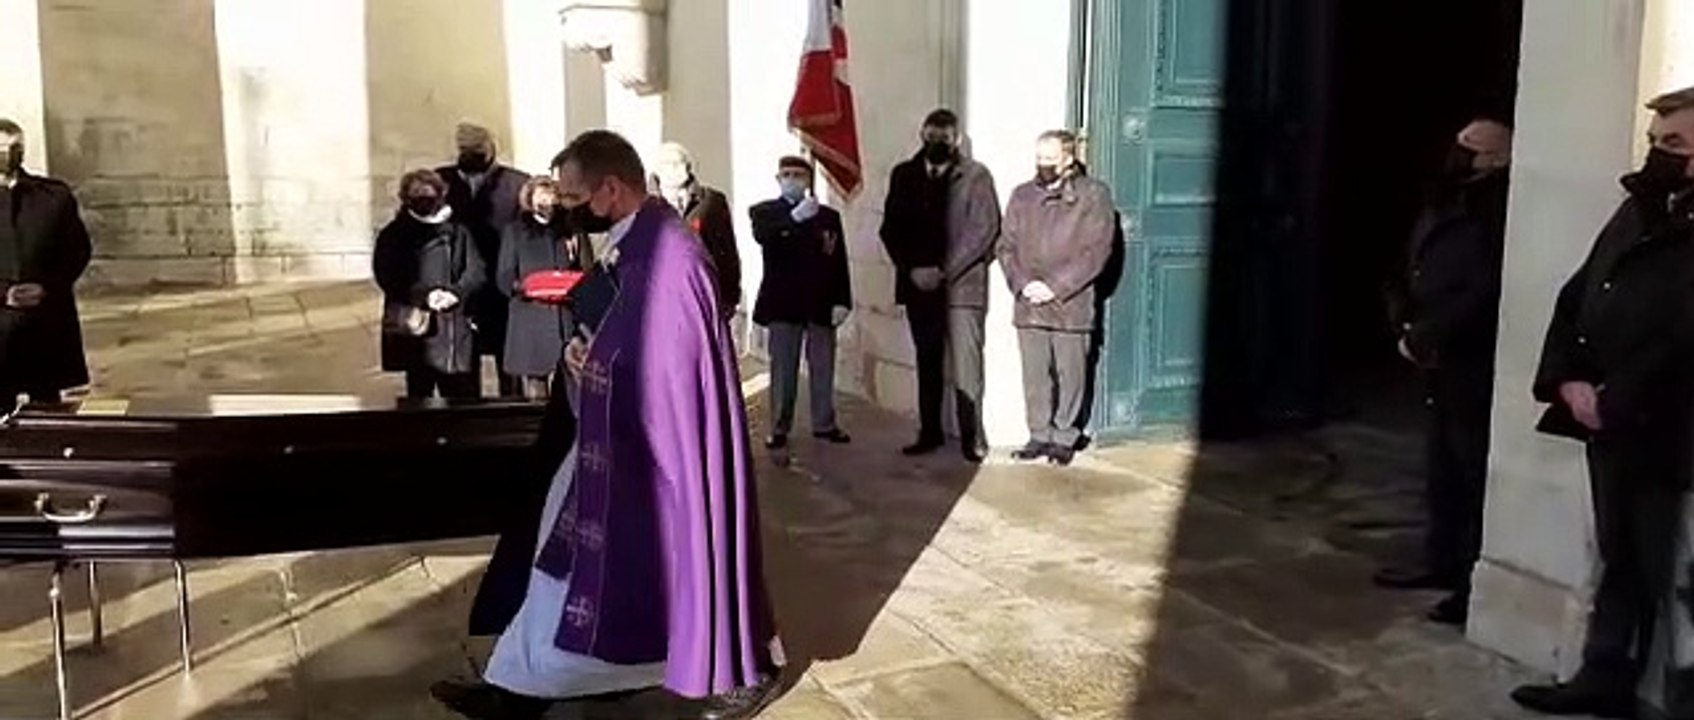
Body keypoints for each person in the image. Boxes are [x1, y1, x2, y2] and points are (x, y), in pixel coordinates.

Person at [432, 130, 779, 720]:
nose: (566, 209)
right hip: (610, 436)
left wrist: (597, 367)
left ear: (610, 189)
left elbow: (669, 366)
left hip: (654, 449)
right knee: (557, 554)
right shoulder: (632, 240)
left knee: (672, 565)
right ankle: (518, 683)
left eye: (573, 197)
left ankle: (739, 666)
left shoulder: (670, 258)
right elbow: (611, 329)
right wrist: (583, 354)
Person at [1510, 87, 1694, 718]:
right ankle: (1605, 677)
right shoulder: (1639, 207)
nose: (1657, 153)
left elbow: (1682, 334)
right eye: (1654, 140)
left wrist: (1616, 396)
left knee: (1680, 577)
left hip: (1670, 430)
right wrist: (1566, 378)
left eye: (1673, 143)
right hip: (1611, 424)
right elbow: (1581, 291)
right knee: (1619, 558)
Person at [1373, 118, 1513, 627]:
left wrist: (1431, 334)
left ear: (1498, 158)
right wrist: (1404, 320)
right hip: (1430, 346)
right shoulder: (1445, 196)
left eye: (1473, 147)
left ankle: (1470, 579)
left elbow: (1485, 285)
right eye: (1460, 141)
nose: (1460, 151)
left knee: (1471, 467)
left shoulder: (1497, 208)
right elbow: (1409, 263)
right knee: (1441, 468)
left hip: (1467, 354)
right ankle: (1441, 558)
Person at [879, 109, 1002, 461]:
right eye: (930, 136)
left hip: (962, 289)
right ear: (921, 134)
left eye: (943, 137)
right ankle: (929, 432)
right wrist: (912, 269)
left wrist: (944, 270)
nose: (936, 143)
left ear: (957, 139)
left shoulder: (977, 176)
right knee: (927, 361)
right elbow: (891, 229)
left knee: (967, 366)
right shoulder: (904, 175)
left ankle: (972, 437)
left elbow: (984, 229)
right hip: (919, 289)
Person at [999, 130, 1115, 467]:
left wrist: (1056, 286)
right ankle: (1038, 433)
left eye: (1050, 159)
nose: (1043, 165)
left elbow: (1096, 251)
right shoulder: (1022, 195)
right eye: (1039, 158)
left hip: (1070, 303)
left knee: (1071, 372)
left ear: (1069, 157)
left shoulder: (1094, 196)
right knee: (1034, 373)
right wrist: (1022, 283)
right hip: (1028, 302)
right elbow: (1006, 246)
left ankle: (1065, 436)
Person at [749, 155, 852, 450]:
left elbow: (838, 261)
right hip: (783, 302)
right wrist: (794, 220)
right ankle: (779, 427)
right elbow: (765, 237)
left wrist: (842, 300)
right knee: (783, 369)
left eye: (799, 175)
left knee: (823, 366)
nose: (792, 179)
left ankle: (825, 423)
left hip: (820, 301)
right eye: (787, 174)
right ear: (778, 179)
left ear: (809, 180)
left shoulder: (828, 217)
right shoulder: (765, 212)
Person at [0, 119, 92, 415]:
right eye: (1, 148)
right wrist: (4, 294)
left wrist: (48, 286)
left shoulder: (53, 196)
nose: (8, 154)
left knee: (47, 408)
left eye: (15, 147)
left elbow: (76, 250)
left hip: (45, 321)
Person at [372, 169, 486, 400]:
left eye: (428, 192)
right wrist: (425, 296)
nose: (423, 198)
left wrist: (457, 293)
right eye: (416, 193)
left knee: (461, 399)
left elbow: (476, 270)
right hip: (417, 325)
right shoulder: (393, 234)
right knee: (419, 397)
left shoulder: (459, 232)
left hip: (454, 326)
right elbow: (388, 275)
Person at [438, 122, 531, 397]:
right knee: (463, 367)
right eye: (467, 149)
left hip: (502, 287)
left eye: (479, 148)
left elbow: (531, 230)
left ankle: (513, 420)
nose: (474, 154)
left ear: (492, 147)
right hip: (461, 285)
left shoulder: (517, 183)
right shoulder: (441, 181)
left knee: (510, 365)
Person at [496, 177, 592, 399]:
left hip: (565, 320)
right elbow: (504, 277)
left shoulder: (572, 230)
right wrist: (529, 287)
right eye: (541, 195)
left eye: (552, 196)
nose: (548, 201)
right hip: (531, 322)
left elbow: (588, 271)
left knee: (572, 388)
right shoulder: (515, 231)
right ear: (530, 199)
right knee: (536, 393)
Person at [651, 141, 741, 320]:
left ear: (688, 166)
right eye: (666, 164)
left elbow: (726, 250)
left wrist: (730, 295)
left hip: (701, 293)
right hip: (657, 296)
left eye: (678, 163)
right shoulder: (645, 204)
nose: (673, 169)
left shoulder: (711, 201)